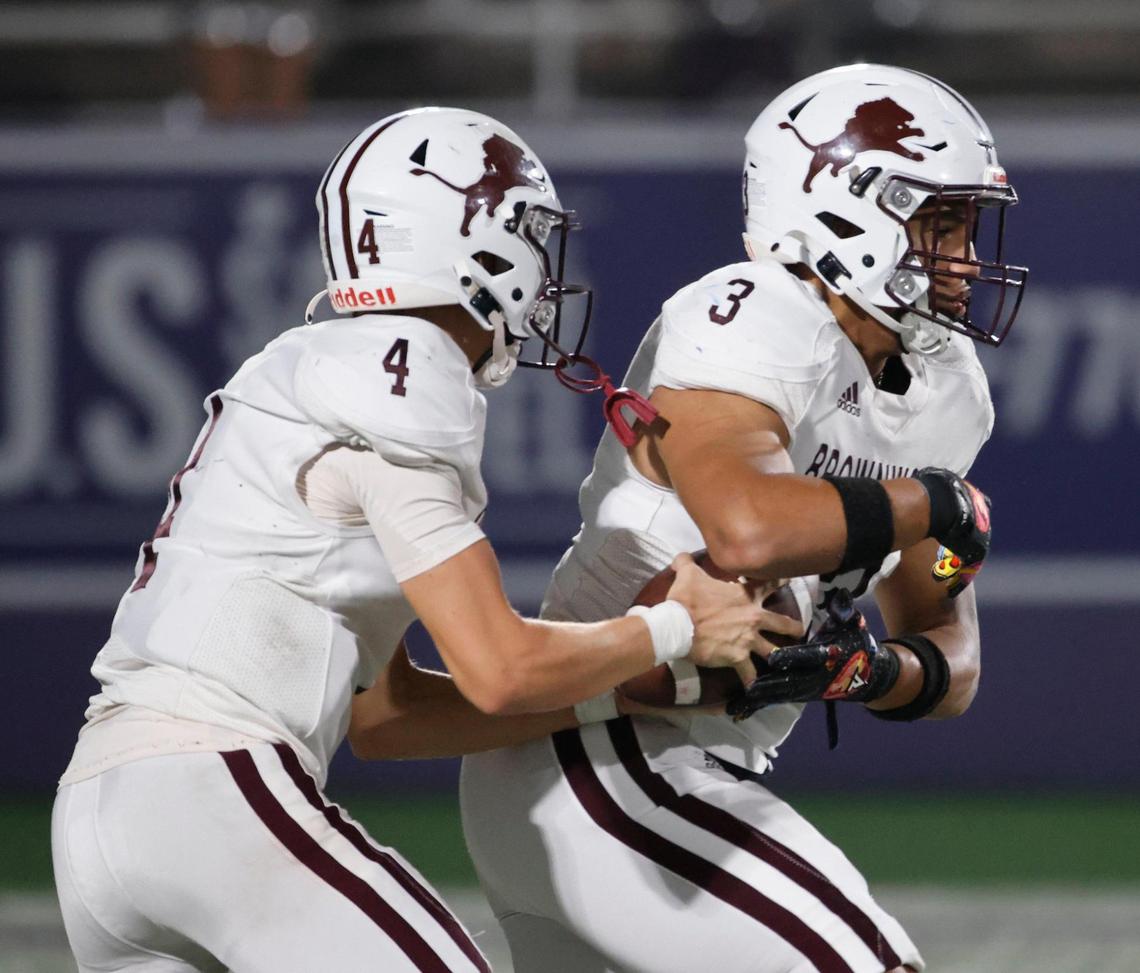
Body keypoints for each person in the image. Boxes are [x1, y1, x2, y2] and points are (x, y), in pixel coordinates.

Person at [50, 107, 784, 973]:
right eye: (528, 235)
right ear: (467, 240)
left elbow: (388, 716)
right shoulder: (405, 366)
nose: (544, 273)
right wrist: (669, 631)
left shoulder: (323, 363)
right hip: (213, 792)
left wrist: (630, 689)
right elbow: (500, 665)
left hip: (102, 818)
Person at [460, 64, 1028, 973]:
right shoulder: (756, 313)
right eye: (940, 222)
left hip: (673, 767)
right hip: (602, 740)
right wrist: (943, 502)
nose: (963, 258)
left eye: (965, 225)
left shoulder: (950, 392)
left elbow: (948, 636)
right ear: (845, 208)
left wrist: (868, 668)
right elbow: (748, 531)